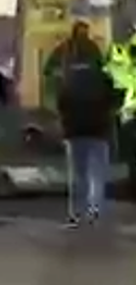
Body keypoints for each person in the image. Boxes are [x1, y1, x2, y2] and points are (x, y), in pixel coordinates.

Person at [54, 21, 120, 227]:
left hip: (74, 132)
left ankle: (76, 214)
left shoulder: (69, 77)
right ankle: (94, 213)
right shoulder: (102, 76)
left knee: (78, 175)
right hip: (99, 130)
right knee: (97, 174)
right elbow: (113, 99)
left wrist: (63, 123)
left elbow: (62, 103)